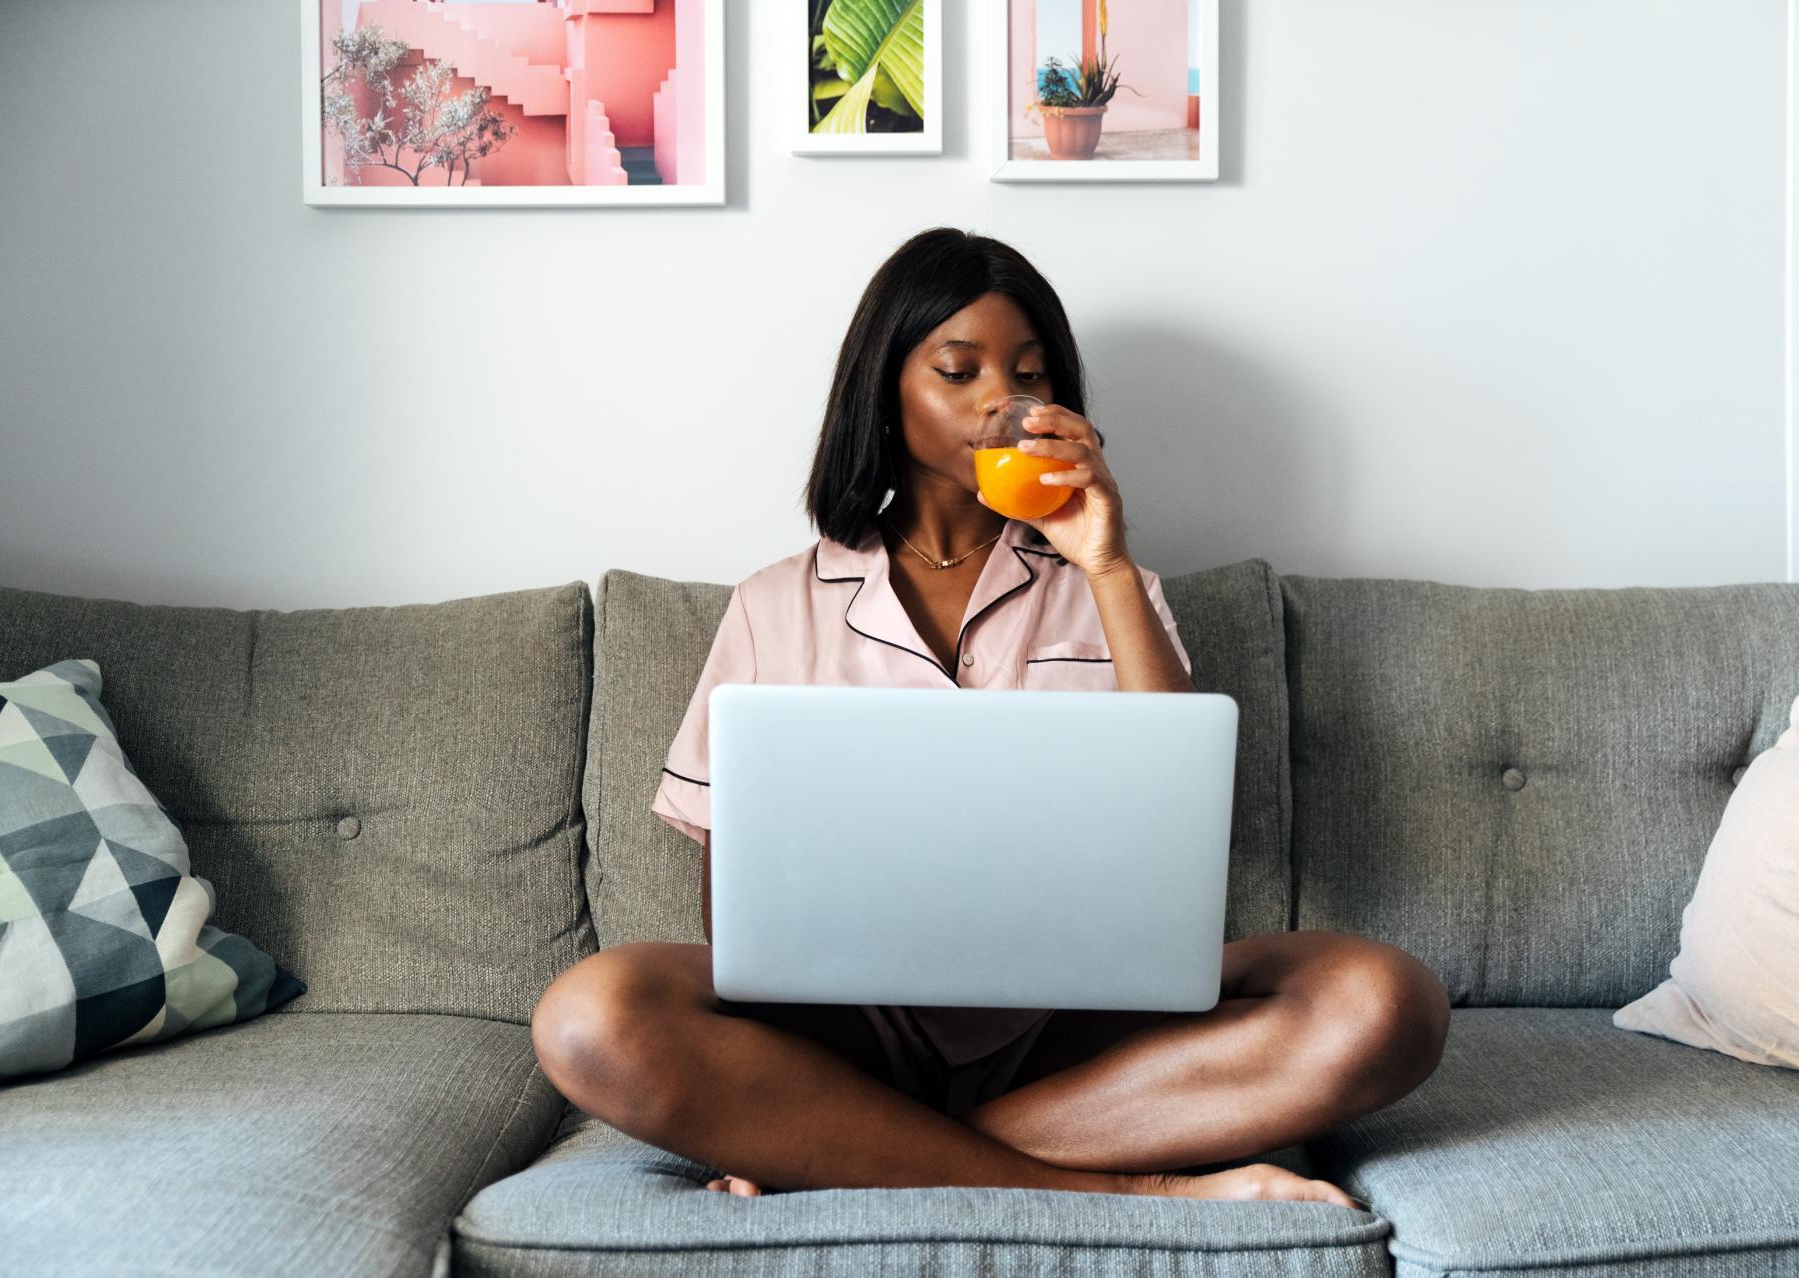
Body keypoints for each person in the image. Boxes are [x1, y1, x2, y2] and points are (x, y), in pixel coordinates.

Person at [530, 227, 1450, 1205]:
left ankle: (837, 1149)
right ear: (886, 389)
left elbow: (1182, 815)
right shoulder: (773, 601)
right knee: (592, 1014)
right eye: (957, 370)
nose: (998, 403)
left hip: (1077, 1027)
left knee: (1386, 1001)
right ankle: (1134, 1190)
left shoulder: (1111, 583)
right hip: (849, 1034)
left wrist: (1103, 562)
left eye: (1026, 373)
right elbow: (735, 913)